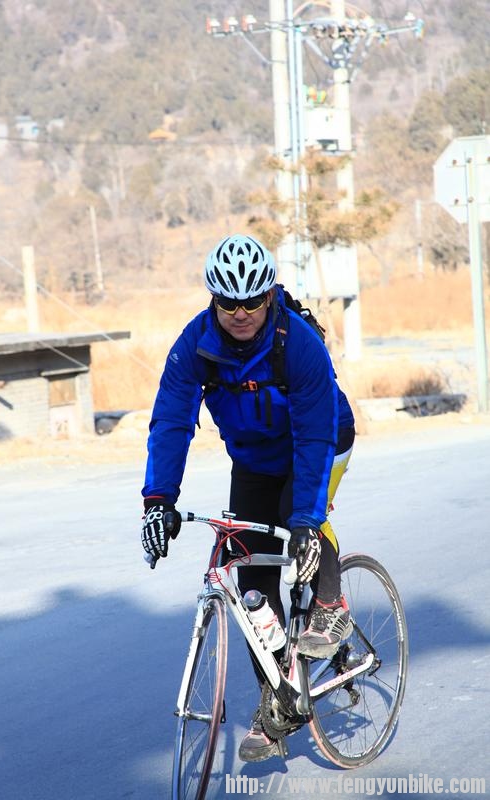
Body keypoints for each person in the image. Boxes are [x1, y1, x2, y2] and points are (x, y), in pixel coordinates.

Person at [141, 233, 355, 762]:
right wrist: (158, 499)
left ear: (268, 296)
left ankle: (331, 605)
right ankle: (278, 696)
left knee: (297, 517)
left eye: (252, 301)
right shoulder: (195, 345)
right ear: (213, 298)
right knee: (252, 581)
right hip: (256, 461)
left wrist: (306, 518)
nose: (240, 313)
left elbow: (313, 434)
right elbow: (171, 421)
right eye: (228, 302)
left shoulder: (298, 343)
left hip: (323, 440)